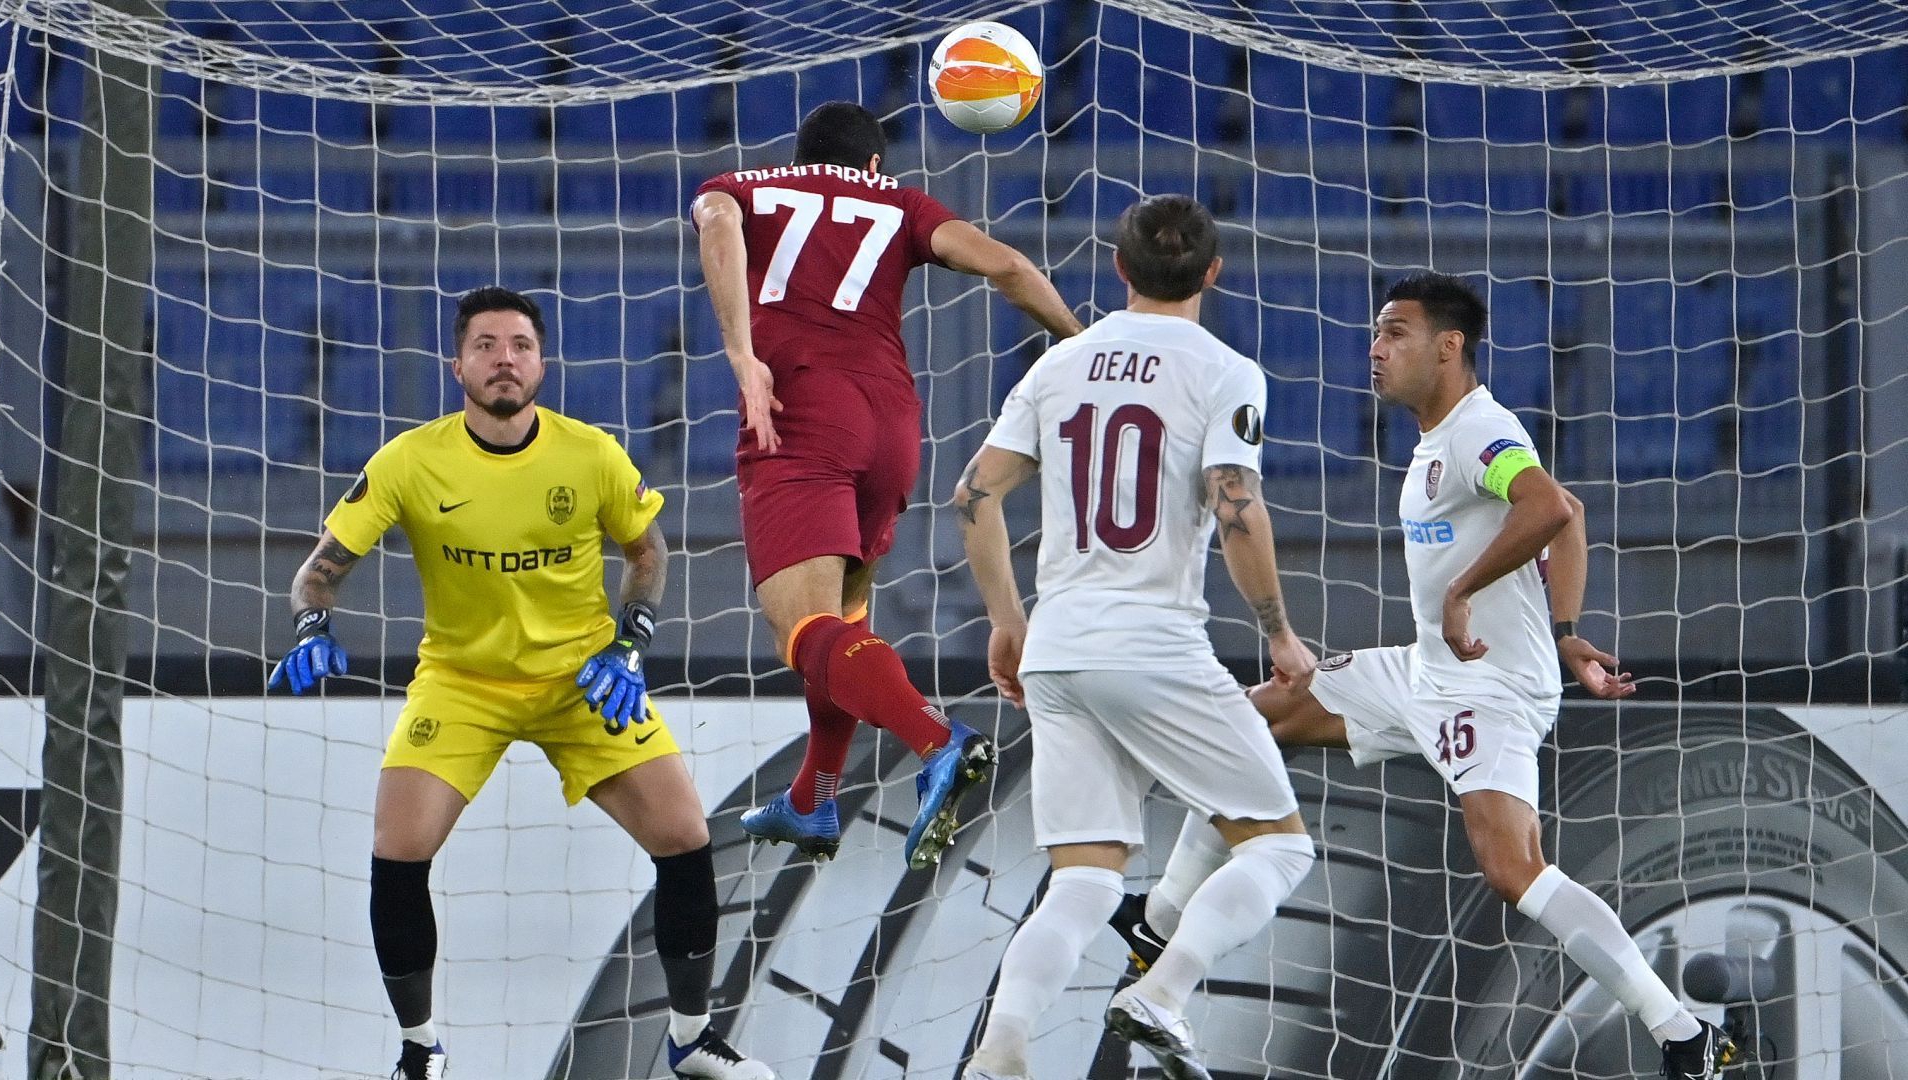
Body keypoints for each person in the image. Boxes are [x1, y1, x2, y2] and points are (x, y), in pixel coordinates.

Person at [1109, 272, 1739, 1080]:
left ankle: (1681, 1034)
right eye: (1376, 332)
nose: (1375, 349)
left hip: (1490, 688)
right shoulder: (1435, 439)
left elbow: (1547, 506)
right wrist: (1570, 632)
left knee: (1513, 869)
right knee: (1251, 719)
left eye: (1394, 333)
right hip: (1421, 672)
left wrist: (1466, 593)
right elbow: (1572, 515)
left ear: (1450, 347)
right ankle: (1159, 923)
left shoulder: (1481, 430)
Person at [267, 287, 772, 1080]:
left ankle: (691, 1039)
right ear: (456, 364)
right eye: (487, 345)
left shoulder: (591, 454)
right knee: (398, 849)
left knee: (686, 837)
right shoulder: (409, 460)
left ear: (543, 363)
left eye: (521, 346)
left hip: (581, 680)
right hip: (462, 683)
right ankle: (419, 1048)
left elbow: (649, 554)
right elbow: (316, 574)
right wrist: (311, 626)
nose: (505, 359)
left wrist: (629, 643)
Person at [952, 195, 1319, 1080]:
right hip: (1152, 641)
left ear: (1117, 269)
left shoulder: (1060, 364)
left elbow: (972, 494)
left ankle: (1000, 1046)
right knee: (1276, 845)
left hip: (1059, 644)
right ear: (1214, 273)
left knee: (1084, 878)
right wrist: (1279, 633)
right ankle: (1162, 992)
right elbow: (1237, 505)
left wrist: (1009, 622)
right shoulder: (1226, 368)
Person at [691, 101, 1084, 869]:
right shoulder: (900, 201)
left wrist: (742, 352)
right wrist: (1080, 345)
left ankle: (939, 742)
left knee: (801, 634)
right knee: (843, 620)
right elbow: (1007, 266)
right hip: (893, 423)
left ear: (800, 153)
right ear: (873, 164)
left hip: (800, 411)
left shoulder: (739, 186)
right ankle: (813, 796)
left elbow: (716, 225)